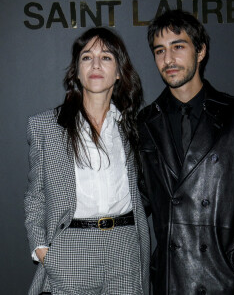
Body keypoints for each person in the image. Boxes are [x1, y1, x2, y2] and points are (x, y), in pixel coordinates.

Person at [138, 9, 234, 295]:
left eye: (178, 47)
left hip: (225, 280)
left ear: (200, 51)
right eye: (159, 51)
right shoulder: (144, 123)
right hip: (171, 281)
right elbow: (136, 202)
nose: (168, 60)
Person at [24, 27, 150, 295]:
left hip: (124, 247)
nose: (95, 64)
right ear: (76, 71)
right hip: (71, 249)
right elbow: (36, 196)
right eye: (86, 57)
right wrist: (43, 250)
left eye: (106, 57)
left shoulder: (134, 127)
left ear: (119, 71)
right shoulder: (46, 126)